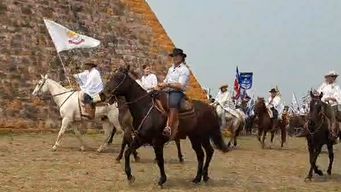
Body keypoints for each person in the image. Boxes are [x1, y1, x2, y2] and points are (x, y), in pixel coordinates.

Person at [157, 48, 190, 139]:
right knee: (153, 96)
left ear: (181, 57)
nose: (175, 58)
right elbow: (166, 80)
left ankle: (169, 127)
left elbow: (180, 85)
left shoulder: (184, 70)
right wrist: (159, 85)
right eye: (174, 56)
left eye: (177, 56)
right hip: (167, 90)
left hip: (177, 92)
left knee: (173, 103)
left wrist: (167, 84)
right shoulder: (171, 69)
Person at [317, 70, 341, 141]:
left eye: (333, 77)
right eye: (330, 77)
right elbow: (318, 93)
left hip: (332, 105)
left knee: (332, 114)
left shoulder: (336, 87)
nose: (332, 78)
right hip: (323, 104)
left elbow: (338, 97)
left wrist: (330, 98)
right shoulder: (323, 86)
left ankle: (333, 132)